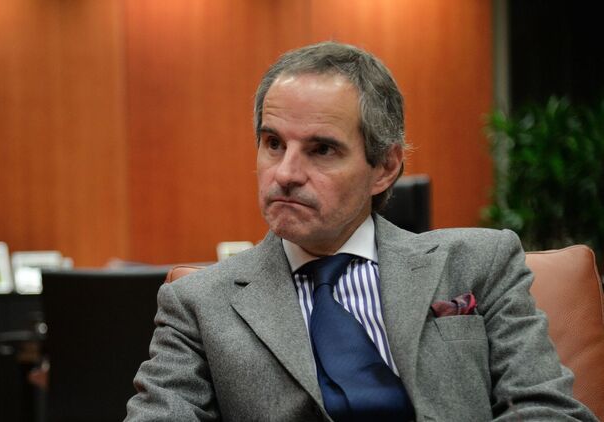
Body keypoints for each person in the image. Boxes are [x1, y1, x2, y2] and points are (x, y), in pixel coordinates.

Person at [125, 41, 595, 421]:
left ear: (385, 168)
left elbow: (548, 411)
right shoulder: (199, 303)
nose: (285, 173)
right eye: (273, 143)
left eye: (322, 150)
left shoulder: (479, 263)